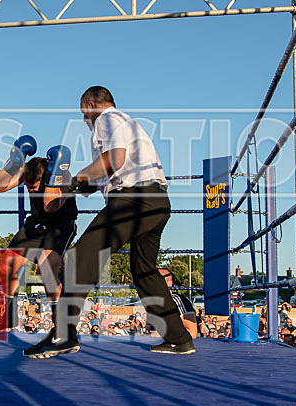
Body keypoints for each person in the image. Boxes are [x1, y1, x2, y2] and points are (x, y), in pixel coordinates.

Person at [24, 86, 194, 358]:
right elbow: (109, 170)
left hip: (132, 201)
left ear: (91, 104)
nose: (84, 120)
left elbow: (113, 161)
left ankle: (63, 336)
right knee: (145, 272)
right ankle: (179, 338)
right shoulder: (129, 124)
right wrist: (82, 186)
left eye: (84, 113)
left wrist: (76, 179)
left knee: (81, 258)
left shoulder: (106, 119)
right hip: (157, 202)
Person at [0, 137, 78, 330]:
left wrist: (53, 177)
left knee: (46, 270)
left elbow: (50, 207)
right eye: (28, 184)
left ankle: (61, 325)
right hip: (36, 224)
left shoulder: (62, 176)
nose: (30, 188)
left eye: (34, 185)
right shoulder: (29, 172)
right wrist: (13, 161)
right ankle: (9, 318)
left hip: (60, 225)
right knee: (6, 266)